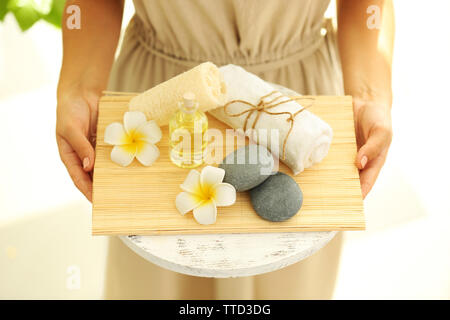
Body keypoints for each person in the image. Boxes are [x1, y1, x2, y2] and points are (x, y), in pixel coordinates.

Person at [56, 0, 394, 299]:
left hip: (297, 100)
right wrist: (79, 87)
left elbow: (367, 4)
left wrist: (368, 94)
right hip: (164, 101)